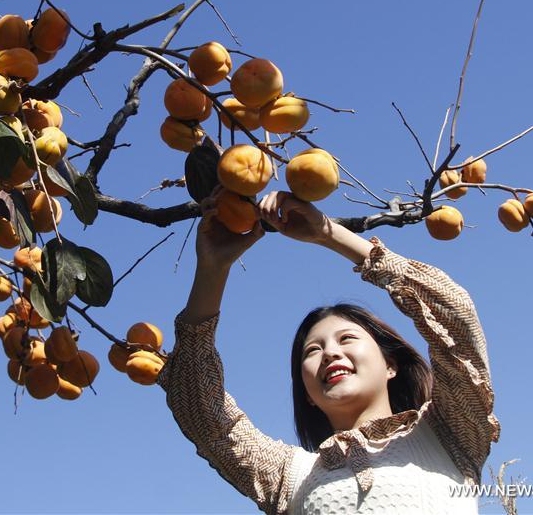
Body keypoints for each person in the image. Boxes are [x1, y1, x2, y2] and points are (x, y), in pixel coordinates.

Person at [158, 188, 500, 514]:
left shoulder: (449, 432)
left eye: (347, 338)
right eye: (312, 351)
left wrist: (328, 234)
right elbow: (203, 412)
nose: (330, 354)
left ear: (390, 364)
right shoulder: (292, 476)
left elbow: (455, 316)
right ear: (306, 393)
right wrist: (213, 269)